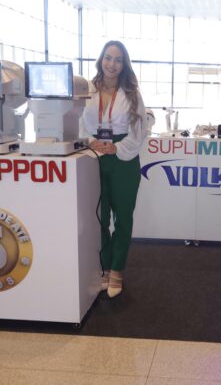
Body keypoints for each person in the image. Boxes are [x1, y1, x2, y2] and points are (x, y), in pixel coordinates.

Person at [81, 40, 147, 298]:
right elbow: (75, 122)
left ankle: (117, 270)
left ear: (124, 64)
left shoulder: (132, 93)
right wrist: (89, 141)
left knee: (123, 217)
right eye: (108, 58)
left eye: (118, 60)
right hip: (92, 156)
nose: (112, 64)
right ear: (101, 59)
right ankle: (105, 268)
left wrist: (117, 148)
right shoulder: (86, 90)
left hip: (123, 159)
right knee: (98, 216)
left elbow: (140, 131)